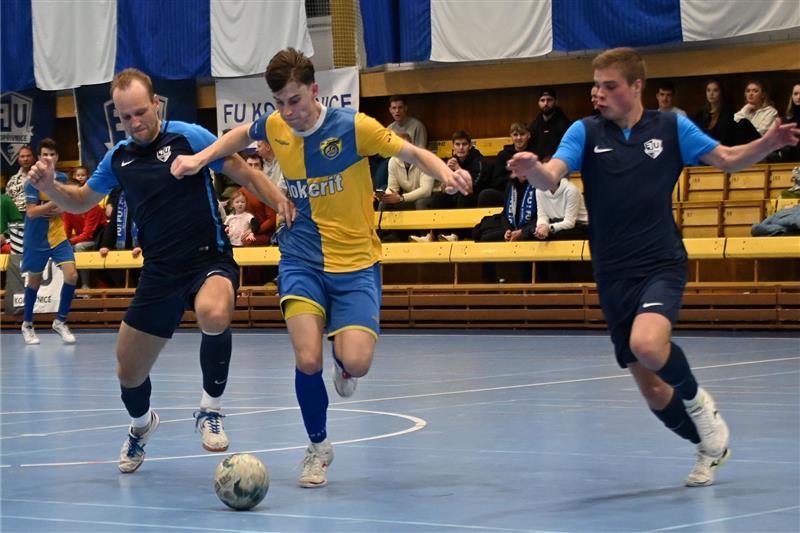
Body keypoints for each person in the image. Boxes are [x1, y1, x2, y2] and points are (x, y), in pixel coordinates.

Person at [170, 48, 471, 488]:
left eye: (294, 100)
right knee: (307, 359)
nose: (287, 112)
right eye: (279, 103)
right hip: (301, 258)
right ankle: (318, 447)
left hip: (356, 263)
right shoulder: (276, 125)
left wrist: (445, 172)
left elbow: (410, 151)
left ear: (314, 91)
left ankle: (344, 366)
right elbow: (237, 136)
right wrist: (199, 160)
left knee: (357, 362)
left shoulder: (354, 128)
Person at [508, 47, 799, 488]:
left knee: (646, 343)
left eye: (610, 86)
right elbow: (552, 176)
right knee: (651, 388)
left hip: (660, 260)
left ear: (636, 86)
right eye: (595, 86)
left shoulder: (671, 127)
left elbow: (726, 159)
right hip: (612, 271)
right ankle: (708, 446)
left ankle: (700, 404)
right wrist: (534, 168)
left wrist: (769, 142)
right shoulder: (584, 131)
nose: (598, 94)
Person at [26, 68, 294, 474]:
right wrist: (49, 186)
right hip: (159, 272)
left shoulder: (189, 136)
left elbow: (245, 173)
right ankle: (141, 426)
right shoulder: (118, 159)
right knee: (128, 369)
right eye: (126, 117)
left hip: (208, 259)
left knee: (214, 313)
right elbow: (80, 200)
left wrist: (282, 204)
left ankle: (210, 409)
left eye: (141, 112)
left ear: (155, 104)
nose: (135, 122)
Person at [20, 138, 79, 345]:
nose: (48, 158)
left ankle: (60, 321)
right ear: (39, 158)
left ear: (57, 157)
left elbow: (67, 205)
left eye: (52, 155)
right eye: (45, 154)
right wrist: (52, 205)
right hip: (36, 238)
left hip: (58, 235)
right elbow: (31, 212)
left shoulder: (61, 178)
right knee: (34, 282)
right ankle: (27, 324)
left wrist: (59, 207)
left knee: (72, 275)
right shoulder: (31, 181)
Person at [63, 166, 107, 289]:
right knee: (62, 248)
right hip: (82, 239)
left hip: (99, 240)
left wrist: (69, 241)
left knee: (79, 247)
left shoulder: (93, 207)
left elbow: (88, 234)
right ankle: (68, 285)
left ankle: (85, 286)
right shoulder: (67, 208)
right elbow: (66, 230)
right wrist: (63, 243)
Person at [5, 145, 36, 253]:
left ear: (33, 158)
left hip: (36, 217)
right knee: (17, 252)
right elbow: (7, 204)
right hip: (16, 220)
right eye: (22, 156)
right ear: (18, 159)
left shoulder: (42, 177)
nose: (25, 159)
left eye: (28, 156)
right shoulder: (12, 180)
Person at [528, 87, 571, 162]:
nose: (545, 103)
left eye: (549, 100)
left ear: (556, 102)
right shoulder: (534, 125)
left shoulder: (566, 125)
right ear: (538, 103)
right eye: (542, 100)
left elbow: (568, 149)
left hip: (559, 163)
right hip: (538, 164)